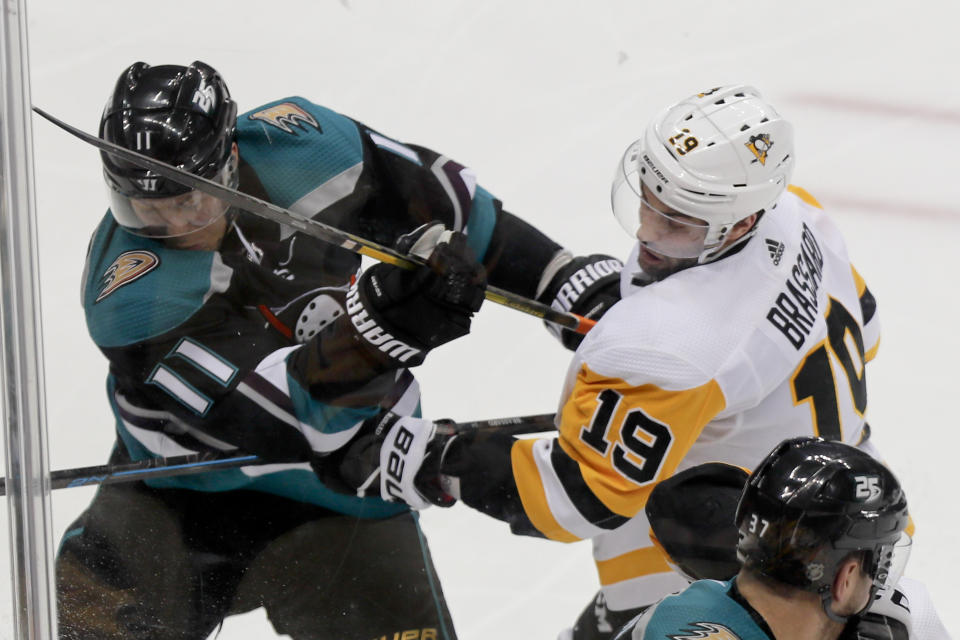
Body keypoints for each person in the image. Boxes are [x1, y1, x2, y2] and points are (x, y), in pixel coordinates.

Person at [56, 60, 621, 640]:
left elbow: (456, 213)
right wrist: (382, 332)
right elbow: (284, 422)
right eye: (147, 210)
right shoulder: (128, 295)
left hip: (344, 506)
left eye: (192, 199)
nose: (178, 224)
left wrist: (563, 284)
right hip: (178, 506)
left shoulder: (306, 146)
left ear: (227, 155)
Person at [353, 85, 924, 638]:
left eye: (675, 221)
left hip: (741, 577)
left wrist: (430, 459)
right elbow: (864, 329)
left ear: (743, 221)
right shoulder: (804, 218)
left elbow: (574, 497)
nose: (649, 230)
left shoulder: (666, 348)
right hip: (853, 536)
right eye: (649, 199)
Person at [613, 437, 918, 640]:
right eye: (880, 564)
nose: (879, 585)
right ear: (846, 579)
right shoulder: (885, 622)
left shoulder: (676, 614)